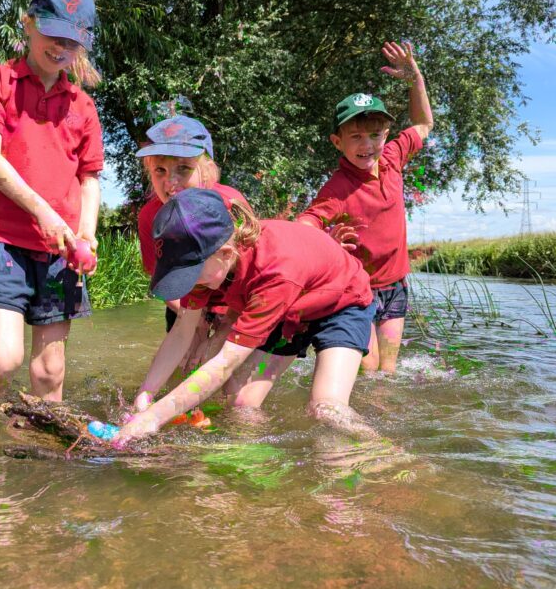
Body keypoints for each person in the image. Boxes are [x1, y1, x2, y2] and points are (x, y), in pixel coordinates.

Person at [114, 188, 377, 445]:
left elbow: (226, 362)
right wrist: (145, 396)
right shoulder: (207, 262)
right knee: (241, 404)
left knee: (326, 409)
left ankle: (382, 453)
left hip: (342, 303)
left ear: (226, 254)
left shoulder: (274, 271)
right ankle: (249, 461)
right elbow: (182, 331)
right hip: (290, 310)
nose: (188, 283)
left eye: (189, 274)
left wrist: (154, 418)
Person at [0, 0, 103, 401]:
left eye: (72, 41)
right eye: (52, 34)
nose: (60, 48)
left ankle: (46, 458)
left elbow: (89, 178)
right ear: (28, 23)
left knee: (50, 372)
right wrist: (43, 212)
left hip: (62, 250)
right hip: (1, 240)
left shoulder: (83, 106)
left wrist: (87, 233)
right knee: (2, 361)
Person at [133, 115, 297, 410]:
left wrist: (222, 328)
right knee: (183, 373)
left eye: (184, 169)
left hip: (239, 304)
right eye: (160, 170)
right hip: (188, 298)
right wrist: (195, 323)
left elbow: (253, 277)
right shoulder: (150, 218)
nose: (171, 182)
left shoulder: (231, 204)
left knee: (229, 384)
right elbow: (166, 283)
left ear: (207, 170)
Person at [299, 41, 433, 374]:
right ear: (337, 142)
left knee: (387, 371)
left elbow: (424, 124)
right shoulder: (337, 188)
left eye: (374, 134)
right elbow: (307, 223)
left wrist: (415, 78)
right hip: (357, 291)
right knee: (367, 367)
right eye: (356, 136)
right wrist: (322, 242)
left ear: (386, 134)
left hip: (395, 286)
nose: (367, 145)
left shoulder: (393, 157)